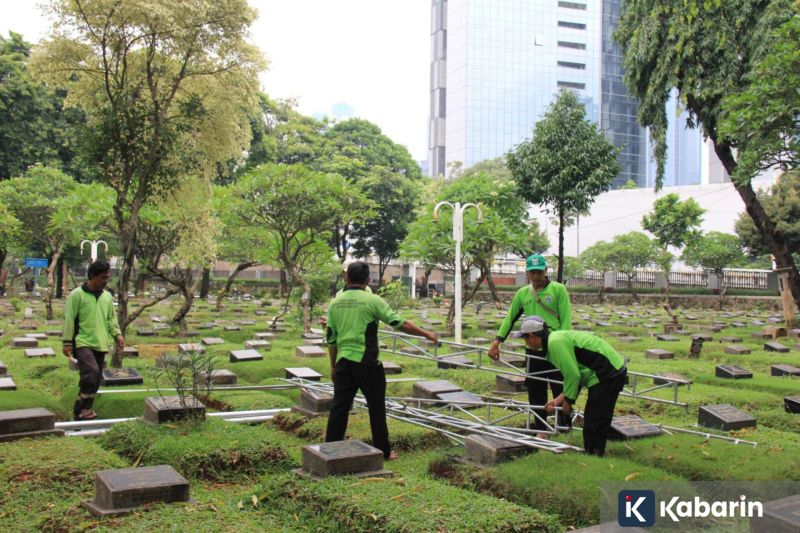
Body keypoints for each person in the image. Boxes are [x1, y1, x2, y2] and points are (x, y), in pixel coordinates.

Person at [325, 261, 437, 459]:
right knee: (376, 407)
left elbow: (331, 340)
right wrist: (426, 333)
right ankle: (384, 450)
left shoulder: (335, 303)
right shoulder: (372, 300)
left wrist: (333, 367)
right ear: (368, 279)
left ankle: (329, 450)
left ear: (347, 278)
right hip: (367, 363)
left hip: (343, 362)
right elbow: (400, 323)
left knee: (339, 407)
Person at [512, 316, 627, 456]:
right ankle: (594, 454)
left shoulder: (555, 343)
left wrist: (568, 401)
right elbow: (573, 376)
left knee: (595, 419)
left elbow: (573, 375)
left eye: (524, 338)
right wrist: (558, 401)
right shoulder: (554, 341)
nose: (526, 343)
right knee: (595, 418)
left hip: (607, 372)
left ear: (532, 336)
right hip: (605, 372)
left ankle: (594, 456)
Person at [488, 254, 572, 435]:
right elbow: (510, 318)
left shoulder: (558, 290)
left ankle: (563, 425)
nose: (536, 276)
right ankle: (541, 427)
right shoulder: (523, 294)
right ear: (527, 273)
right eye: (532, 272)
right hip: (533, 350)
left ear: (546, 271)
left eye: (539, 272)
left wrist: (566, 344)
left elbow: (566, 320)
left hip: (556, 348)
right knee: (535, 389)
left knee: (560, 386)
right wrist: (497, 341)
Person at [62, 261, 125, 420]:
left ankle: (82, 407)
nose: (106, 281)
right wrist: (67, 342)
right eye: (103, 277)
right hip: (82, 341)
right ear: (92, 276)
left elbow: (111, 318)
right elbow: (70, 319)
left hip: (101, 342)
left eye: (108, 277)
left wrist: (117, 335)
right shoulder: (77, 294)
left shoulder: (107, 296)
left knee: (95, 379)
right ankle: (84, 409)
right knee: (91, 372)